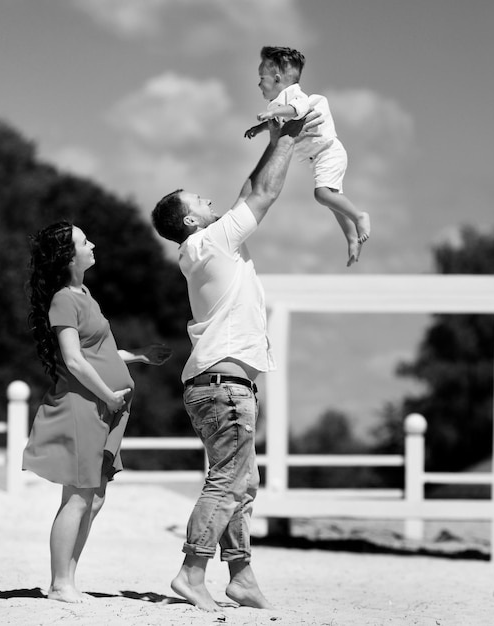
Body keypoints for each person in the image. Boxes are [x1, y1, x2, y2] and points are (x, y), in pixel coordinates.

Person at [151, 110, 321, 612]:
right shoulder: (209, 243)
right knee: (228, 479)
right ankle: (192, 571)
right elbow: (261, 197)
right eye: (201, 201)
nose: (212, 202)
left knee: (243, 480)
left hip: (223, 382)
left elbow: (249, 190)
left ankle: (241, 576)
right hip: (223, 383)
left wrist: (272, 140)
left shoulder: (209, 243)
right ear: (190, 220)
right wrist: (290, 136)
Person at [22, 221, 170, 604]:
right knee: (78, 495)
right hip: (84, 406)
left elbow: (96, 353)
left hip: (104, 408)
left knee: (96, 496)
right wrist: (108, 395)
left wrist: (138, 356)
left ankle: (68, 578)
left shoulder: (84, 293)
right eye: (85, 241)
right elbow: (72, 359)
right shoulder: (63, 299)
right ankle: (59, 583)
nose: (93, 244)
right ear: (69, 256)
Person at [244, 45, 370, 267]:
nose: (258, 84)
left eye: (261, 78)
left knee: (322, 195)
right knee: (333, 201)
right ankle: (351, 238)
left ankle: (360, 216)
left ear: (276, 78)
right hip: (319, 157)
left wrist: (273, 113)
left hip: (328, 151)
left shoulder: (294, 95)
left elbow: (297, 110)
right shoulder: (279, 103)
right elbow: (280, 122)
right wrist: (260, 128)